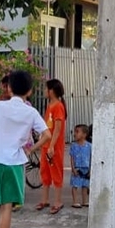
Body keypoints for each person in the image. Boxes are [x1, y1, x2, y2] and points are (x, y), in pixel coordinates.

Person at [0, 70, 50, 228]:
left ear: (9, 89)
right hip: (14, 163)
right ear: (29, 91)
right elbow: (46, 135)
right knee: (6, 206)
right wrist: (30, 149)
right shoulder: (31, 112)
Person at [36, 78, 67, 214]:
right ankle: (45, 199)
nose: (44, 91)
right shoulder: (50, 105)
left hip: (53, 146)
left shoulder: (58, 106)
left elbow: (58, 128)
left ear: (51, 91)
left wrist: (52, 146)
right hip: (47, 145)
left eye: (46, 88)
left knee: (56, 172)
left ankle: (58, 201)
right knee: (45, 172)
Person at [69, 124, 91, 208]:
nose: (75, 134)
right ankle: (75, 201)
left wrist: (90, 169)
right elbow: (72, 157)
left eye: (77, 132)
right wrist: (73, 168)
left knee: (85, 186)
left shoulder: (89, 146)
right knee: (75, 185)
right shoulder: (73, 146)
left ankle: (84, 201)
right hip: (77, 168)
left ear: (84, 134)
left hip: (86, 168)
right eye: (75, 132)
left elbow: (90, 157)